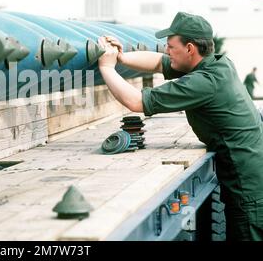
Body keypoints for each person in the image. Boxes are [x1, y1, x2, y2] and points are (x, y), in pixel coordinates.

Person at [98, 12, 263, 241]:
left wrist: (107, 68)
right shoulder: (219, 64)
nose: (166, 51)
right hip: (252, 181)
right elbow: (158, 62)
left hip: (250, 192)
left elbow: (136, 101)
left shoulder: (203, 82)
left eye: (170, 46)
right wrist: (121, 58)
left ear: (190, 48)